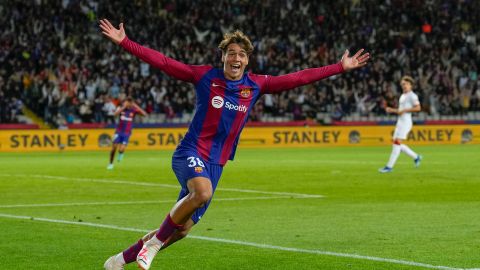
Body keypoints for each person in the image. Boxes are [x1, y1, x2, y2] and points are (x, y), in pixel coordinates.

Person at [99, 18, 369, 270]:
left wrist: (339, 68)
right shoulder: (205, 77)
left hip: (217, 163)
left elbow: (298, 78)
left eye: (241, 54)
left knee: (181, 229)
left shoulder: (256, 85)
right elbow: (164, 62)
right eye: (231, 53)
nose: (236, 57)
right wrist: (125, 42)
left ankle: (119, 260)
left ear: (247, 60)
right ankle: (154, 246)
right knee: (201, 194)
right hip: (190, 152)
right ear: (223, 57)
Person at [379, 75, 422, 173]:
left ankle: (389, 167)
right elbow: (400, 111)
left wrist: (406, 110)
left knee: (397, 143)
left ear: (411, 85)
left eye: (406, 84)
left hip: (406, 122)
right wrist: (392, 110)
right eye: (402, 84)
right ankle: (416, 157)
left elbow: (418, 108)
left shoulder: (412, 96)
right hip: (400, 122)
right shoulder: (403, 96)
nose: (404, 86)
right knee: (396, 143)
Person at [107, 97, 147, 170]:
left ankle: (121, 153)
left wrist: (136, 105)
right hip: (118, 132)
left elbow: (145, 114)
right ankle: (110, 164)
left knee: (121, 149)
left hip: (127, 133)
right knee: (114, 148)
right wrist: (124, 107)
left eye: (130, 102)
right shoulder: (121, 108)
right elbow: (115, 115)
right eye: (127, 101)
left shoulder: (133, 110)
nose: (128, 103)